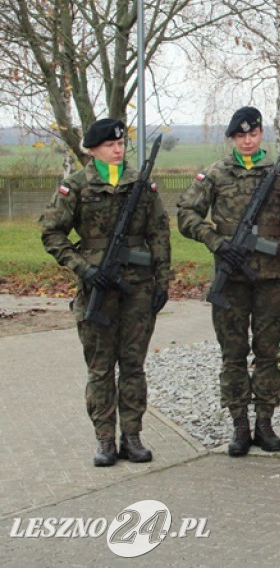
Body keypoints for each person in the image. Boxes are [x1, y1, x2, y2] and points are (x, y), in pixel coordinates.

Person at [40, 118, 171, 466]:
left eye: (121, 144)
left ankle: (132, 436)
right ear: (93, 149)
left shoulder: (140, 185)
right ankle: (104, 440)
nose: (119, 149)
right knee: (100, 368)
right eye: (111, 145)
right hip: (97, 288)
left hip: (138, 288)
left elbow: (159, 233)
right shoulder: (77, 186)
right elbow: (51, 233)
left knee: (133, 366)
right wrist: (85, 268)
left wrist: (163, 281)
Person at [176, 107, 280, 457]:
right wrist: (215, 241)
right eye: (240, 135)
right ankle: (239, 425)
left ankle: (265, 423)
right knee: (233, 355)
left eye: (253, 134)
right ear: (232, 138)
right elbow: (186, 214)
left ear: (261, 134)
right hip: (231, 280)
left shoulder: (279, 176)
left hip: (271, 280)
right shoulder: (216, 175)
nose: (247, 140)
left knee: (267, 354)